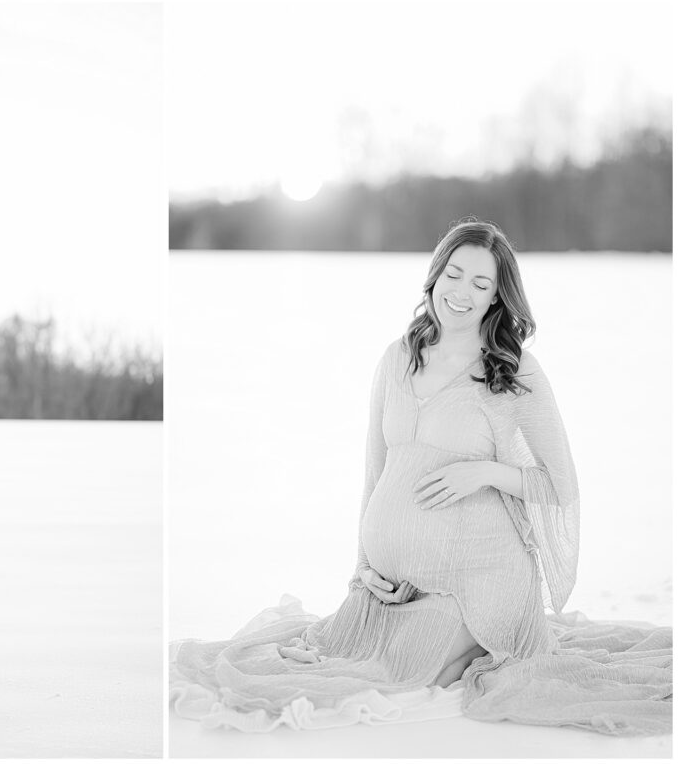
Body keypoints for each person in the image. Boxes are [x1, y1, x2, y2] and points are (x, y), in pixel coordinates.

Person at [170, 219, 672, 736]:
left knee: (402, 670)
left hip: (481, 579)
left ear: (496, 298)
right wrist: (363, 569)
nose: (462, 292)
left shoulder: (513, 370)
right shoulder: (397, 358)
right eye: (454, 274)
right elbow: (375, 474)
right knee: (340, 655)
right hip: (394, 584)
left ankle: (478, 638)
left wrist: (487, 472)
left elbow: (560, 486)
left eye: (481, 283)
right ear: (435, 275)